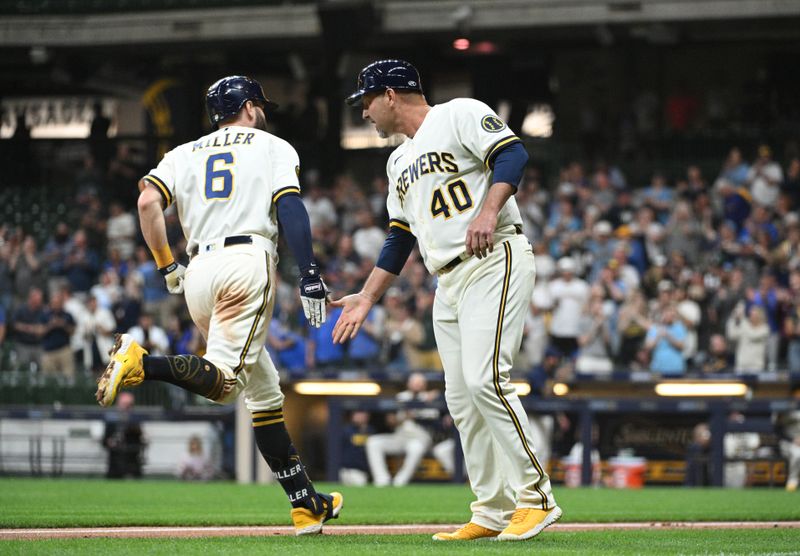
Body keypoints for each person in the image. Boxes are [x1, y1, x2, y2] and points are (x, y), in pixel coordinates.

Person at [95, 75, 342, 535]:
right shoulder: (272, 145)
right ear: (248, 107)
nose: (263, 111)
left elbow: (148, 201)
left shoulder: (181, 153)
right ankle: (141, 364)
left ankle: (307, 504)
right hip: (246, 263)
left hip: (198, 272)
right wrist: (309, 273)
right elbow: (290, 209)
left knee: (263, 392)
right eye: (260, 104)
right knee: (227, 383)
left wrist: (167, 265)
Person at [335, 60, 559, 541]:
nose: (365, 114)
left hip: (492, 256)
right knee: (460, 399)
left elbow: (512, 155)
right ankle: (491, 510)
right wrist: (368, 298)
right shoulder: (397, 161)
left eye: (367, 102)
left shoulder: (457, 113)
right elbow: (400, 237)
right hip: (448, 279)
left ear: (391, 95)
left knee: (485, 381)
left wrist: (488, 209)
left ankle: (535, 497)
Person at [103, 392, 145, 479]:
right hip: (115, 463)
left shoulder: (136, 421)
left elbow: (140, 439)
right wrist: (110, 442)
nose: (127, 407)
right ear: (119, 404)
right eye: (125, 404)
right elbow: (104, 441)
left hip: (132, 463)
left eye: (130, 405)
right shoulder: (111, 421)